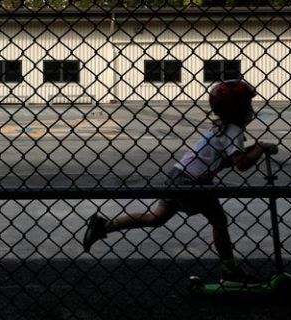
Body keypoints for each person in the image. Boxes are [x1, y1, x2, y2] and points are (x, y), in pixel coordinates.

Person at [82, 79, 278, 286]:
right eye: (247, 104)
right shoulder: (233, 131)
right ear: (236, 109)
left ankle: (104, 225)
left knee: (156, 219)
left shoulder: (224, 127)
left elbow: (229, 158)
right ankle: (231, 272)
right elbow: (241, 165)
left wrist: (255, 147)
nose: (250, 109)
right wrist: (261, 147)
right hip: (194, 181)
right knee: (219, 220)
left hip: (179, 174)